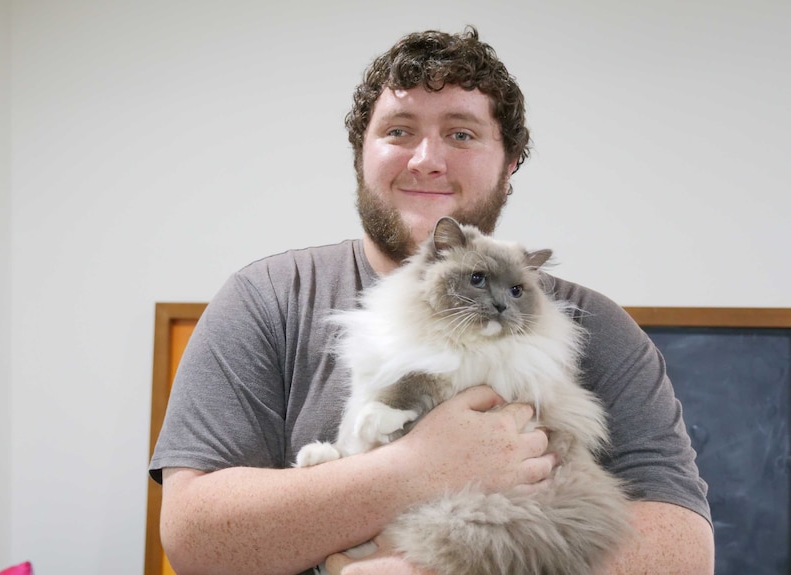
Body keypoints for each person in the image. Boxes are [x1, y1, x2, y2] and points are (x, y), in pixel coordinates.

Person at [149, 26, 714, 575]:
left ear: (509, 161)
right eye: (398, 131)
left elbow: (683, 553)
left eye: (462, 134)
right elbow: (194, 539)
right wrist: (413, 470)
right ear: (361, 153)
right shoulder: (268, 297)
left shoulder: (595, 327)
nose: (426, 159)